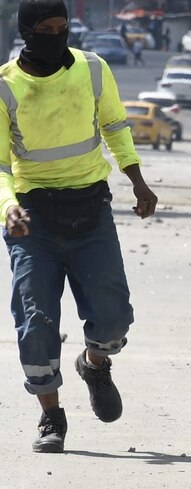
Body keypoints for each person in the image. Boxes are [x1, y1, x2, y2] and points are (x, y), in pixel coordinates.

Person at [1, 0, 158, 453]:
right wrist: (8, 207)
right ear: (27, 32)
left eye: (62, 27)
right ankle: (51, 416)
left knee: (113, 317)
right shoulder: (5, 86)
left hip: (90, 209)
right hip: (33, 218)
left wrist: (137, 180)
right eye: (46, 29)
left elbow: (115, 126)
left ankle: (94, 364)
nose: (56, 36)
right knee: (35, 321)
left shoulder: (92, 69)